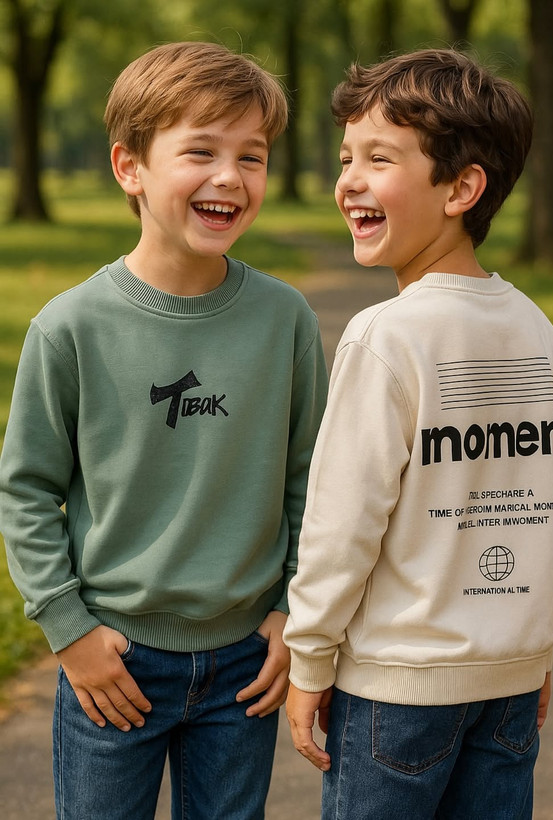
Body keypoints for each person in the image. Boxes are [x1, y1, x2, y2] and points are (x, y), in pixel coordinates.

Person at [0, 41, 328, 820]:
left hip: (245, 663)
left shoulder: (284, 319)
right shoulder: (70, 327)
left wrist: (292, 609)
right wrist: (68, 630)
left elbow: (312, 480)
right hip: (113, 659)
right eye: (201, 151)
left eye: (252, 156)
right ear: (130, 167)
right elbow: (26, 489)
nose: (230, 176)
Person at [283, 48, 553, 819]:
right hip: (509, 683)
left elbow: (342, 520)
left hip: (397, 687)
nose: (348, 180)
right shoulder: (535, 329)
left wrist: (309, 657)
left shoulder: (384, 337)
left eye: (378, 158)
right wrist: (537, 638)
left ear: (461, 189)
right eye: (346, 158)